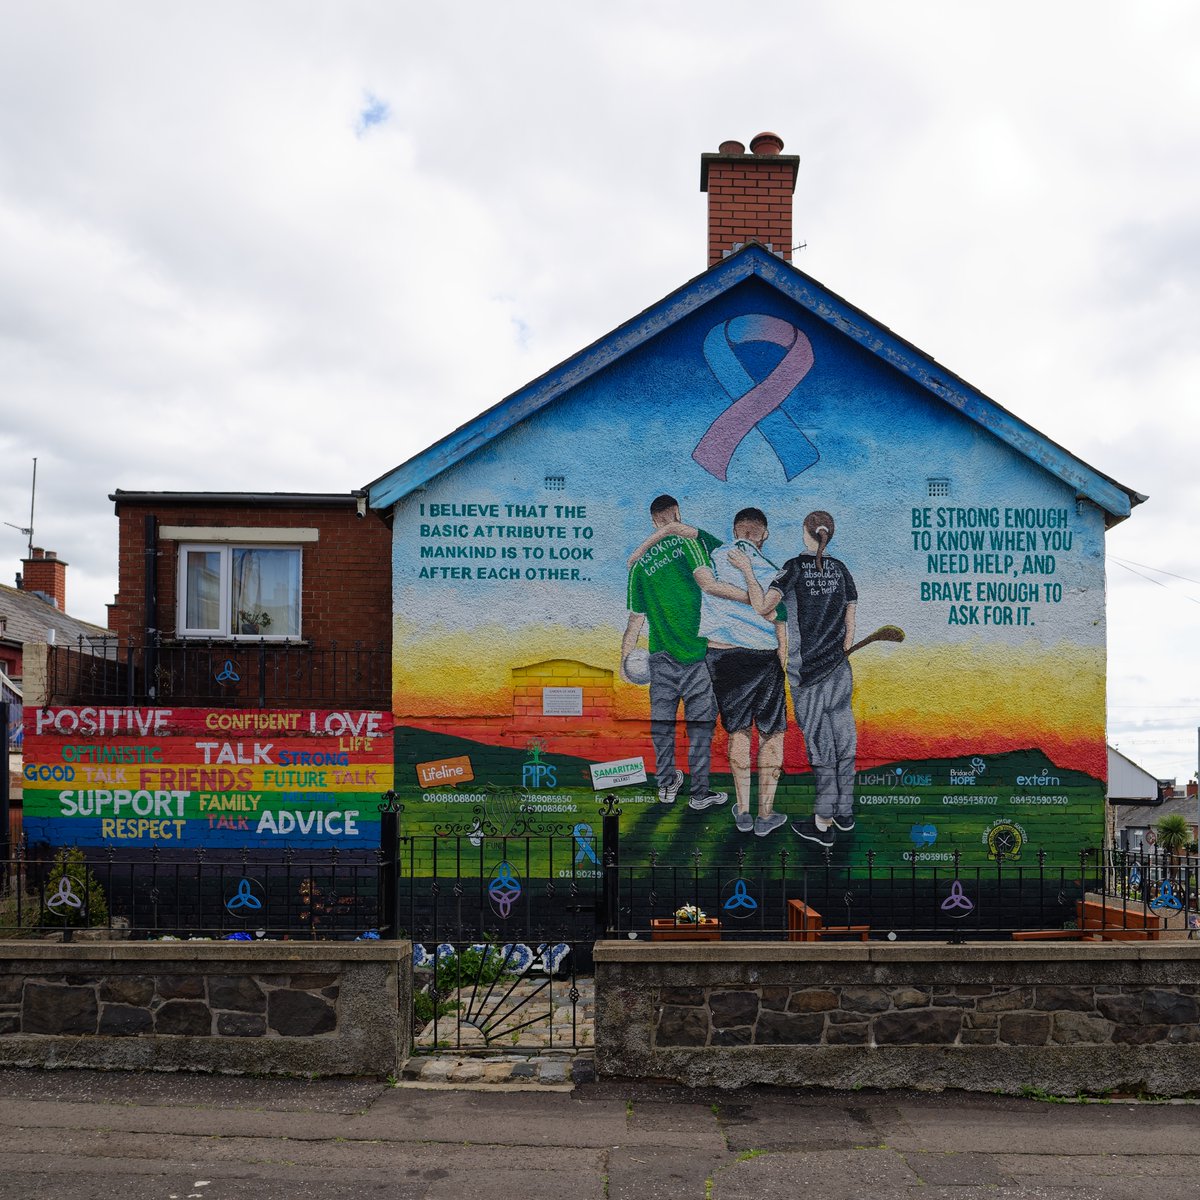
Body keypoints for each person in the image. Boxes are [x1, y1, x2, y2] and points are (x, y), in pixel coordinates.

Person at [745, 510, 857, 849]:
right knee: (844, 741)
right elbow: (850, 631)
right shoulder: (841, 570)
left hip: (807, 676)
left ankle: (823, 823)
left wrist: (748, 571)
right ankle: (844, 811)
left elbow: (764, 607)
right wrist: (837, 653)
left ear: (805, 533)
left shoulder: (792, 567)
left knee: (821, 746)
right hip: (840, 669)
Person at [621, 495, 727, 811]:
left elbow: (635, 621)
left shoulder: (639, 567)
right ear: (677, 513)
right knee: (700, 725)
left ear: (654, 520)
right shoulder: (694, 544)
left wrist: (625, 661)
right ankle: (699, 793)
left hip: (660, 657)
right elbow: (713, 576)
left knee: (662, 725)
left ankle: (667, 784)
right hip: (697, 655)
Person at [691, 507, 789, 837]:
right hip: (762, 656)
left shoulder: (713, 555)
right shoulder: (772, 569)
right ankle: (765, 814)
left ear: (735, 530)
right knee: (772, 733)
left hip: (720, 655)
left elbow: (703, 583)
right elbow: (779, 618)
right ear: (763, 535)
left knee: (738, 732)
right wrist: (783, 657)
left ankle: (743, 811)